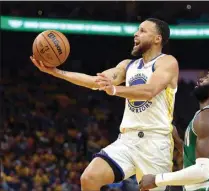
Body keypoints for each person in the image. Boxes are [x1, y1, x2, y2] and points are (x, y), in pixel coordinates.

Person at [30, 18, 179, 191]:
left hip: (155, 143)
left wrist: (115, 90)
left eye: (142, 31)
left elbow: (150, 91)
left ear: (157, 39)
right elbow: (95, 82)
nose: (135, 34)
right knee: (89, 178)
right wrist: (56, 72)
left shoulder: (167, 62)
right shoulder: (127, 66)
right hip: (128, 140)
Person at [140, 68, 209, 191]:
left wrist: (157, 180)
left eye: (207, 77)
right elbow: (196, 158)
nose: (201, 78)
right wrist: (177, 141)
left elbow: (202, 171)